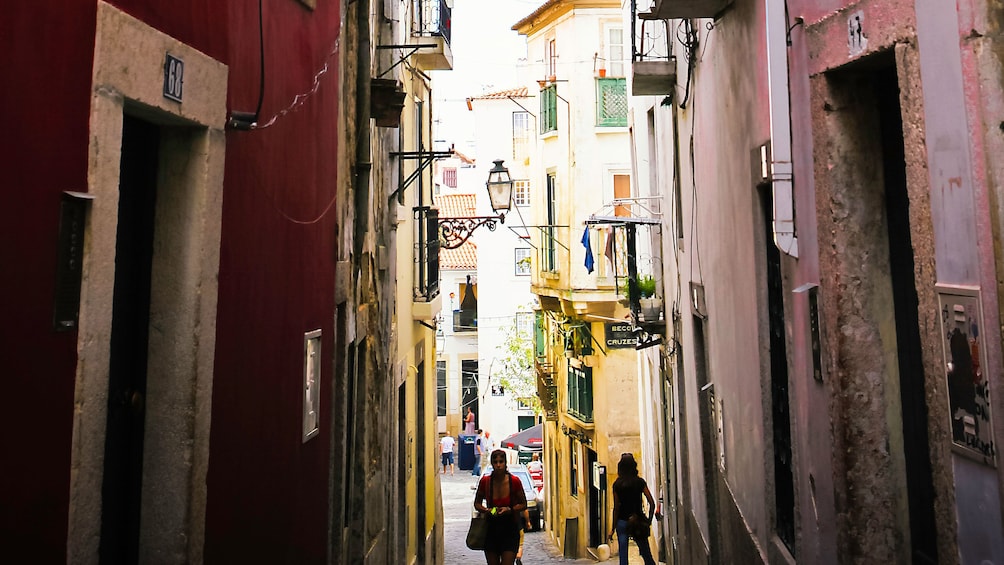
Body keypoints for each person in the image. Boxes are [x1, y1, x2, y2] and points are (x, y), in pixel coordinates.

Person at [473, 450, 528, 565]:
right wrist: (488, 510)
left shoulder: (514, 481)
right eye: (495, 462)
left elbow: (523, 504)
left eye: (501, 462)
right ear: (492, 463)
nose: (498, 465)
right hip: (491, 529)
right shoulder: (485, 481)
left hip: (510, 529)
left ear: (505, 463)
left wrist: (510, 510)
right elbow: (477, 503)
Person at [609, 453, 660, 565]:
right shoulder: (639, 482)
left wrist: (612, 528)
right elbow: (651, 502)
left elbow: (616, 508)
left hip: (622, 521)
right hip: (638, 520)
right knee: (646, 554)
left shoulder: (617, 484)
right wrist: (648, 521)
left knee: (623, 557)